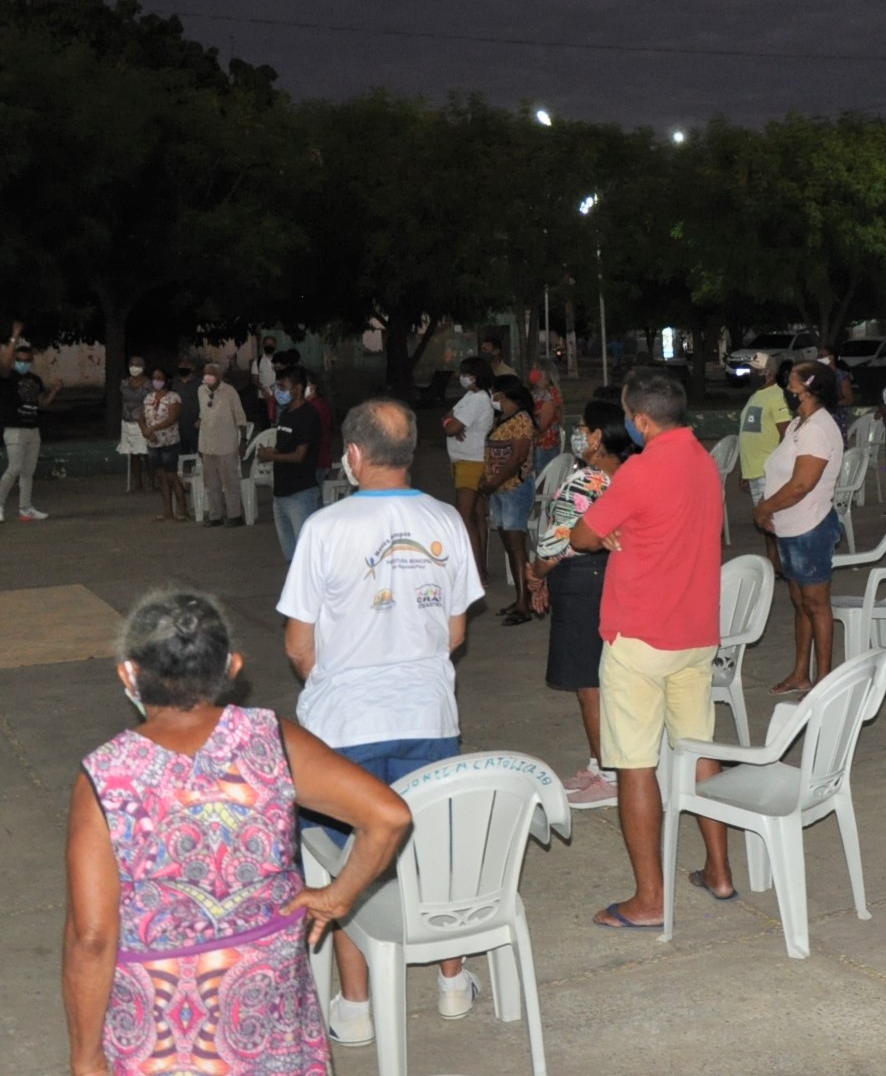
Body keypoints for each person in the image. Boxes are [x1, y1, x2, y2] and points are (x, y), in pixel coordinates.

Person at [63, 590, 412, 1076]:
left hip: (156, 1023)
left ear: (128, 673)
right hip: (266, 1003)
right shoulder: (272, 739)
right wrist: (339, 896)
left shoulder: (105, 776)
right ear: (232, 667)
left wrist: (85, 1057)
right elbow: (388, 816)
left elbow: (93, 937)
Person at [276, 398, 485, 1044]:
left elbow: (298, 647)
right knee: (432, 848)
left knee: (346, 856)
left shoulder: (325, 528)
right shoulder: (446, 519)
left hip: (343, 728)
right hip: (428, 713)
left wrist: (343, 685)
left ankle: (357, 1007)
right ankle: (452, 983)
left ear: (355, 455)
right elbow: (453, 631)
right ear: (411, 452)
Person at [569, 368, 734, 927]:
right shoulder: (704, 461)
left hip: (641, 637)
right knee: (698, 752)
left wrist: (610, 528)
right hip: (695, 634)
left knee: (636, 765)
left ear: (640, 421)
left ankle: (650, 899)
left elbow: (581, 535)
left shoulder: (639, 470)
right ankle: (718, 870)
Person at [532, 399, 635, 811]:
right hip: (609, 576)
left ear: (598, 436)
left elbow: (557, 541)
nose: (579, 433)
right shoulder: (631, 473)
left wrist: (537, 574)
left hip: (580, 578)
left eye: (584, 427)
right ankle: (600, 762)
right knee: (601, 675)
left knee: (588, 683)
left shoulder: (588, 481)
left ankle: (609, 775)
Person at [754, 361, 846, 695]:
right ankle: (800, 672)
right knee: (800, 602)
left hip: (810, 525)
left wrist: (764, 507)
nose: (787, 388)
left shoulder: (818, 428)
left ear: (807, 389)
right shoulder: (799, 423)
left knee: (816, 602)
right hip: (790, 527)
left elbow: (801, 484)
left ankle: (824, 679)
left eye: (791, 383)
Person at [484, 377, 538, 624]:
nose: (494, 401)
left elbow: (517, 458)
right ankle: (521, 598)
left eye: (498, 396)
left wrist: (494, 482)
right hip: (501, 488)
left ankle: (524, 603)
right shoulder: (505, 418)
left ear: (508, 396)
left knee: (516, 546)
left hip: (513, 487)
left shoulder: (521, 420)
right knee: (510, 544)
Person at [259, 366, 322, 561]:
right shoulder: (285, 414)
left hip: (300, 492)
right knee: (291, 555)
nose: (279, 391)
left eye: (283, 386)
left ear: (297, 388)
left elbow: (299, 455)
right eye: (277, 386)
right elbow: (285, 448)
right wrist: (271, 452)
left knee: (306, 555)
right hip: (281, 493)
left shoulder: (307, 415)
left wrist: (271, 457)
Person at [737, 359, 795, 572]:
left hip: (768, 470)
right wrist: (745, 470)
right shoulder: (756, 395)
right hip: (755, 470)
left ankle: (778, 562)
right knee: (767, 521)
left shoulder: (777, 395)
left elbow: (786, 435)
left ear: (768, 372)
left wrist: (776, 469)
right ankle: (775, 561)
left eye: (755, 369)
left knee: (773, 520)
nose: (750, 373)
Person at [443, 356, 496, 581]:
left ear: (475, 376)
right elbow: (448, 419)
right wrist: (449, 422)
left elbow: (452, 426)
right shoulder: (471, 396)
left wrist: (451, 424)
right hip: (466, 460)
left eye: (465, 373)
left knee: (466, 517)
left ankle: (476, 570)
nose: (461, 377)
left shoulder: (478, 399)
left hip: (471, 462)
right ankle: (480, 568)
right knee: (476, 516)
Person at [0, 326, 60, 522]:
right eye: (19, 360)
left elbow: (41, 403)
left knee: (28, 471)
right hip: (15, 429)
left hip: (33, 429)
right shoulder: (9, 377)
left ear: (32, 361)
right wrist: (14, 337)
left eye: (27, 361)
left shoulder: (35, 379)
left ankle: (25, 508)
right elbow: (5, 363)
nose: (23, 364)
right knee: (14, 468)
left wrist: (54, 392)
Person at [196, 362, 249, 527]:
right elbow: (203, 415)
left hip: (226, 444)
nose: (207, 376)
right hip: (207, 444)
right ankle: (215, 516)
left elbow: (240, 417)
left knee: (230, 481)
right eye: (205, 373)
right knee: (211, 483)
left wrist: (243, 441)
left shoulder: (229, 391)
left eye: (211, 373)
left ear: (219, 376)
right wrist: (200, 444)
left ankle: (235, 515)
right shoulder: (201, 391)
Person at [138, 367, 189, 522]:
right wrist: (146, 431)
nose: (156, 381)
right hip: (153, 442)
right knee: (161, 476)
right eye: (154, 377)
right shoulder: (148, 398)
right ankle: (167, 510)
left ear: (166, 380)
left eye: (159, 378)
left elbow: (172, 418)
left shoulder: (174, 398)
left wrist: (153, 428)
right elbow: (141, 418)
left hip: (169, 441)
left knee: (172, 475)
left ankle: (183, 510)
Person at [119, 355, 152, 493]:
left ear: (143, 367)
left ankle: (152, 481)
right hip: (127, 422)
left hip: (143, 421)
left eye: (138, 365)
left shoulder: (148, 384)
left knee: (147, 453)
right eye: (132, 364)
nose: (135, 367)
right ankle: (137, 482)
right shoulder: (125, 383)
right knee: (133, 453)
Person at [529, 365, 564, 460]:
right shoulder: (538, 394)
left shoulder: (549, 395)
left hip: (546, 442)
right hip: (542, 442)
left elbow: (542, 425)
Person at [819, 346, 855, 434]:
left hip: (837, 417)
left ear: (832, 357)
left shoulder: (841, 376)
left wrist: (831, 403)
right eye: (820, 356)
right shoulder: (818, 376)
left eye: (824, 356)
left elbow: (849, 399)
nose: (821, 358)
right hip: (821, 416)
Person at [172, 356, 202, 457]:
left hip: (195, 424)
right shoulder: (174, 382)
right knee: (182, 455)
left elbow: (207, 403)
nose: (183, 367)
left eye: (186, 365)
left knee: (198, 453)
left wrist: (201, 419)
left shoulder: (200, 383)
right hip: (179, 424)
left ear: (192, 367)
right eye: (181, 365)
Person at [252, 334, 281, 425]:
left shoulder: (280, 359)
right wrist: (264, 389)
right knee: (265, 423)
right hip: (263, 397)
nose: (269, 346)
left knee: (279, 423)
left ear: (275, 345)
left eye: (271, 344)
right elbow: (255, 379)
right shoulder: (257, 361)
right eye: (267, 344)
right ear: (263, 346)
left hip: (279, 398)